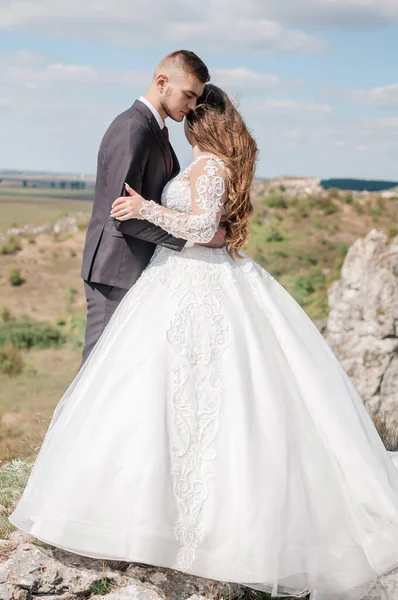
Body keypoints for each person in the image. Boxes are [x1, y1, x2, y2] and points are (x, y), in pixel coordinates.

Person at [9, 84, 398, 600]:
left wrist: (146, 208)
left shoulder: (211, 166)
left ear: (201, 122)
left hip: (198, 283)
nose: (185, 117)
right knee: (154, 390)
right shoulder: (202, 164)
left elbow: (202, 226)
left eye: (192, 112)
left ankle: (189, 526)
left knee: (202, 394)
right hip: (175, 277)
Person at [80, 50, 226, 365]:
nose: (192, 106)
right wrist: (193, 238)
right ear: (162, 82)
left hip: (141, 269)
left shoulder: (155, 130)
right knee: (97, 371)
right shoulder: (134, 128)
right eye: (188, 95)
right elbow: (123, 215)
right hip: (116, 270)